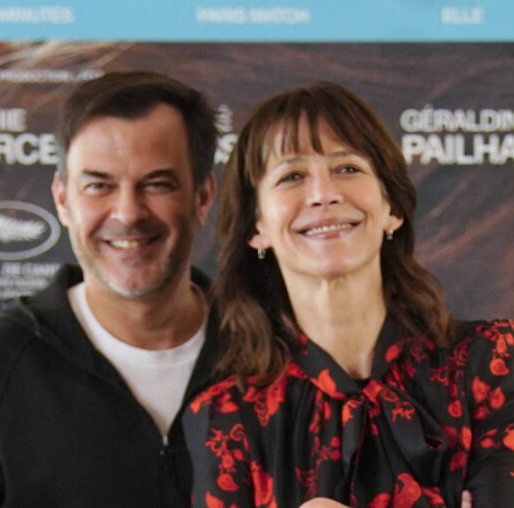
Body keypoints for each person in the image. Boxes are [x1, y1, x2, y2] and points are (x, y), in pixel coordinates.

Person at [183, 81, 514, 507]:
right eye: (293, 176)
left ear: (390, 207)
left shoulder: (493, 362)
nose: (324, 194)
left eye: (347, 169)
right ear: (256, 226)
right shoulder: (224, 419)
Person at [0, 71, 219, 507]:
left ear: (202, 197)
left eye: (156, 184)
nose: (127, 212)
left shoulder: (269, 354)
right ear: (63, 200)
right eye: (98, 186)